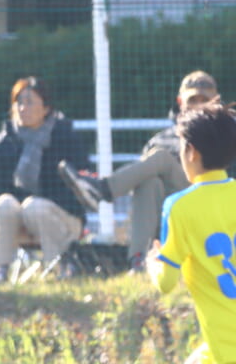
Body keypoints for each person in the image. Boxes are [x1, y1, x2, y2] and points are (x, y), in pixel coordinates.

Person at [146, 100, 236, 364]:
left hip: (231, 345)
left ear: (191, 152)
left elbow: (165, 282)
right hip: (219, 343)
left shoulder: (180, 206)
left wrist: (153, 261)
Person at [58, 70, 220, 271]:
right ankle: (138, 260)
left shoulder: (225, 133)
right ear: (180, 102)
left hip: (209, 207)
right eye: (193, 100)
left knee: (161, 157)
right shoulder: (161, 138)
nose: (198, 106)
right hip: (168, 212)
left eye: (205, 100)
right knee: (149, 181)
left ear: (216, 102)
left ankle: (103, 190)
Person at [0, 76, 90, 284]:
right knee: (4, 204)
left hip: (62, 218)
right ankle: (0, 270)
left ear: (46, 108)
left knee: (35, 207)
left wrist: (35, 201)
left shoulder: (65, 138)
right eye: (19, 102)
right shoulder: (3, 142)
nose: (23, 108)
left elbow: (80, 186)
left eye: (30, 102)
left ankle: (61, 266)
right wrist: (18, 204)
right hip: (18, 218)